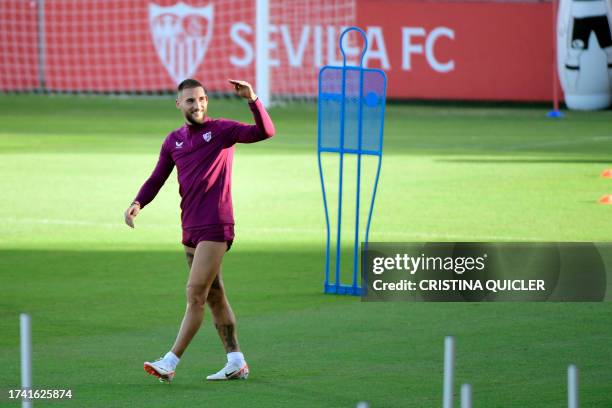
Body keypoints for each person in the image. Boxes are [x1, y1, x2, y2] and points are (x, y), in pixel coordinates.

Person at [124, 78, 275, 382]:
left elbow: (265, 131)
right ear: (179, 104)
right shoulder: (173, 141)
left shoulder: (221, 131)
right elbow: (157, 178)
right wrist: (138, 202)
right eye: (191, 101)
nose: (198, 105)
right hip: (190, 226)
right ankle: (236, 361)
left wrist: (253, 99)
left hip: (216, 225)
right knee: (215, 296)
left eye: (202, 99)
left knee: (195, 295)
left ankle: (170, 361)